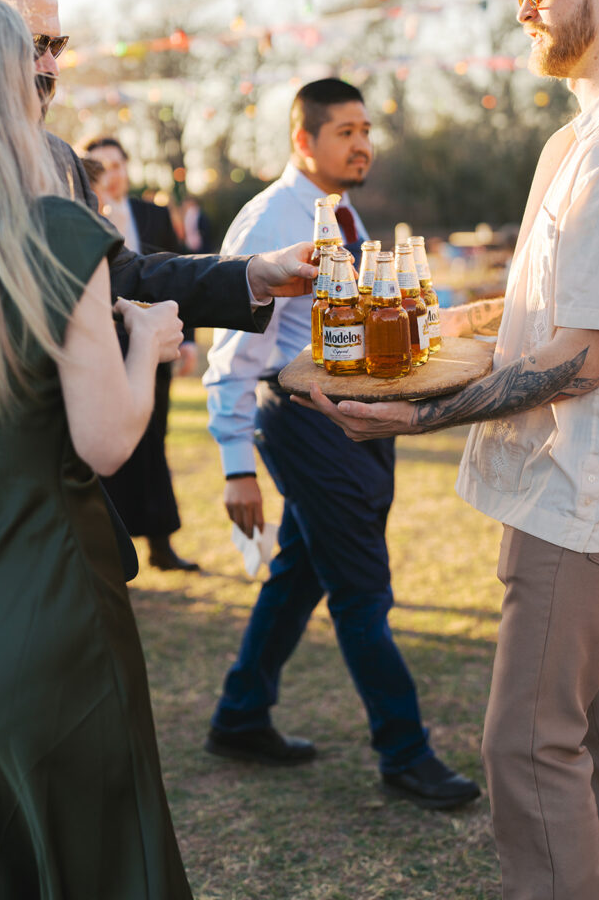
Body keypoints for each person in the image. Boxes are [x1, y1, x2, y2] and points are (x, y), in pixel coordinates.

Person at [301, 0, 599, 899]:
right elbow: (565, 307)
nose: (522, 7)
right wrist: (474, 318)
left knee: (526, 749)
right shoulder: (583, 139)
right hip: (587, 486)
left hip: (582, 491)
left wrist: (417, 415)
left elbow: (582, 359)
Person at [0, 0, 316, 580]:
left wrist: (250, 274)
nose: (50, 67)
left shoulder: (59, 162)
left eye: (58, 45)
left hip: (50, 520)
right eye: (30, 43)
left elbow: (120, 274)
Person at [0, 0, 192, 899]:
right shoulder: (52, 233)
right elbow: (106, 441)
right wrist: (148, 345)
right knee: (102, 864)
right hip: (52, 614)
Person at [202, 78, 480, 810]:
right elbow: (232, 354)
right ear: (304, 140)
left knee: (301, 570)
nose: (363, 144)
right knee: (362, 591)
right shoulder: (269, 222)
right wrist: (236, 466)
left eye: (366, 129)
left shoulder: (345, 216)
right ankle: (405, 751)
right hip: (302, 422)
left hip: (363, 417)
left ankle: (239, 715)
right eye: (345, 131)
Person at [86, 136, 199, 572]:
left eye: (117, 164)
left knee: (155, 441)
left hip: (156, 346)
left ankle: (161, 545)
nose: (111, 174)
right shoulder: (81, 216)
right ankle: (112, 549)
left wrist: (186, 339)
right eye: (100, 166)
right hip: (103, 349)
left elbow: (180, 271)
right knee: (112, 447)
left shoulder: (152, 214)